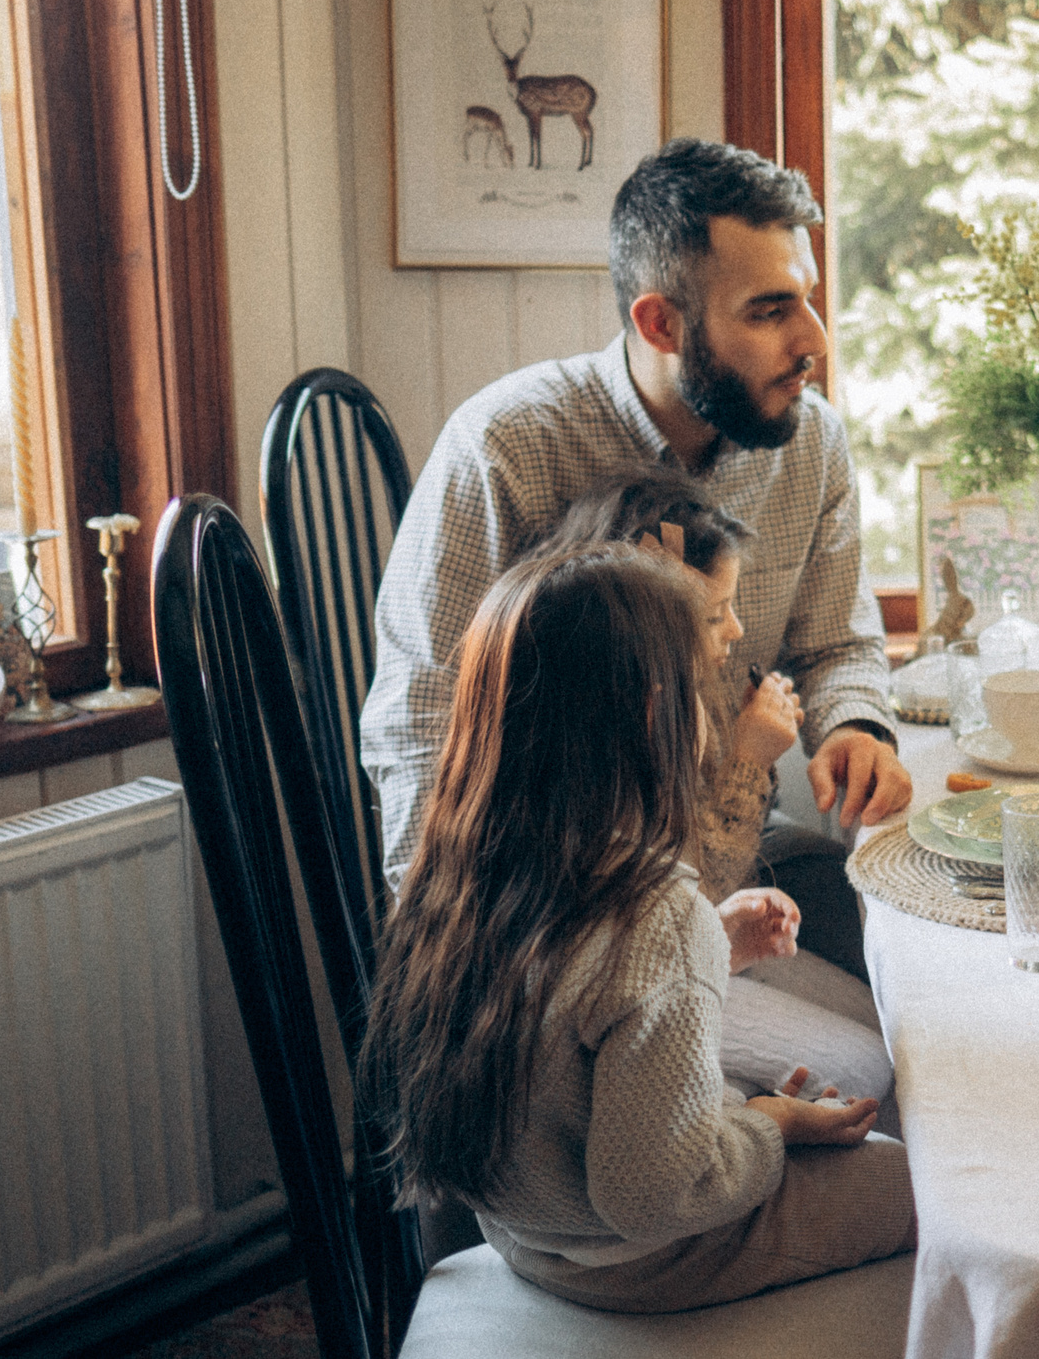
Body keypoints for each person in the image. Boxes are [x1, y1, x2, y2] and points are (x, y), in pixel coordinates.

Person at [359, 138, 913, 965]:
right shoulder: (505, 447)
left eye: (808, 298)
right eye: (769, 311)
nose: (814, 340)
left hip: (726, 863)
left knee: (893, 945)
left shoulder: (812, 444)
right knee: (875, 1029)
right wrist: (454, 963)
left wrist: (856, 727)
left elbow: (838, 641)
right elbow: (421, 723)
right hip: (555, 913)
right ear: (660, 323)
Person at [359, 545, 914, 1313]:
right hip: (643, 1259)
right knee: (930, 1187)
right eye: (698, 689)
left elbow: (582, 1005)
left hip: (528, 1230)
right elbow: (656, 1196)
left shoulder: (469, 868)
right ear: (656, 713)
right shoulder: (656, 918)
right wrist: (769, 1124)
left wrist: (715, 946)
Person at [542, 466, 894, 1114]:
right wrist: (749, 763)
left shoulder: (669, 700)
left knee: (890, 1030)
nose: (735, 631)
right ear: (643, 635)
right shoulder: (608, 748)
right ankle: (751, 1123)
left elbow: (689, 916)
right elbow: (676, 912)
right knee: (870, 1071)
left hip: (690, 942)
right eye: (713, 616)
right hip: (621, 989)